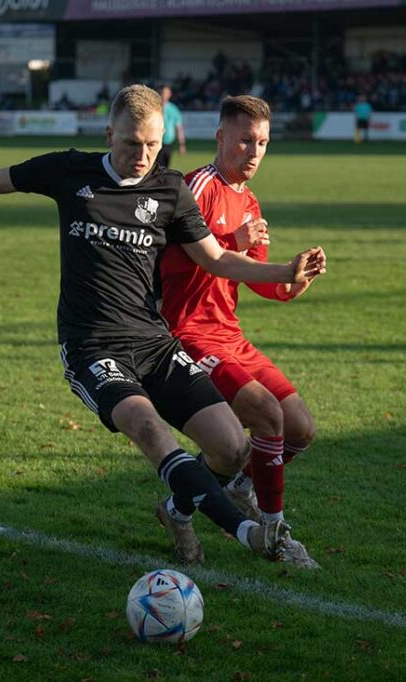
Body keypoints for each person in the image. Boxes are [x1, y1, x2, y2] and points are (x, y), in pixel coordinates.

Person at [0, 85, 327, 566]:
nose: (143, 155)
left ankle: (177, 514)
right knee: (149, 427)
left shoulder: (169, 188)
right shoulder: (70, 170)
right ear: (109, 134)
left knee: (232, 446)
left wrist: (285, 272)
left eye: (153, 145)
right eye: (132, 143)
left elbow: (216, 259)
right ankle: (251, 534)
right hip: (93, 346)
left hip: (154, 341)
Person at [160, 95, 320, 569]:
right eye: (246, 140)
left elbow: (253, 277)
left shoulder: (249, 201)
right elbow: (165, 265)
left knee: (301, 429)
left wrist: (295, 281)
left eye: (264, 143)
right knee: (266, 415)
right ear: (221, 138)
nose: (254, 152)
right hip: (187, 333)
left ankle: (197, 501)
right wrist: (233, 242)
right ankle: (275, 532)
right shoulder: (195, 188)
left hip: (229, 333)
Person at [156, 84, 186, 169]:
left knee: (166, 167)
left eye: (166, 93)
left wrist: (182, 144)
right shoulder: (154, 107)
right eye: (162, 92)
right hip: (156, 141)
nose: (164, 95)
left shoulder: (174, 109)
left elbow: (179, 128)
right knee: (157, 166)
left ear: (170, 94)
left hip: (168, 143)